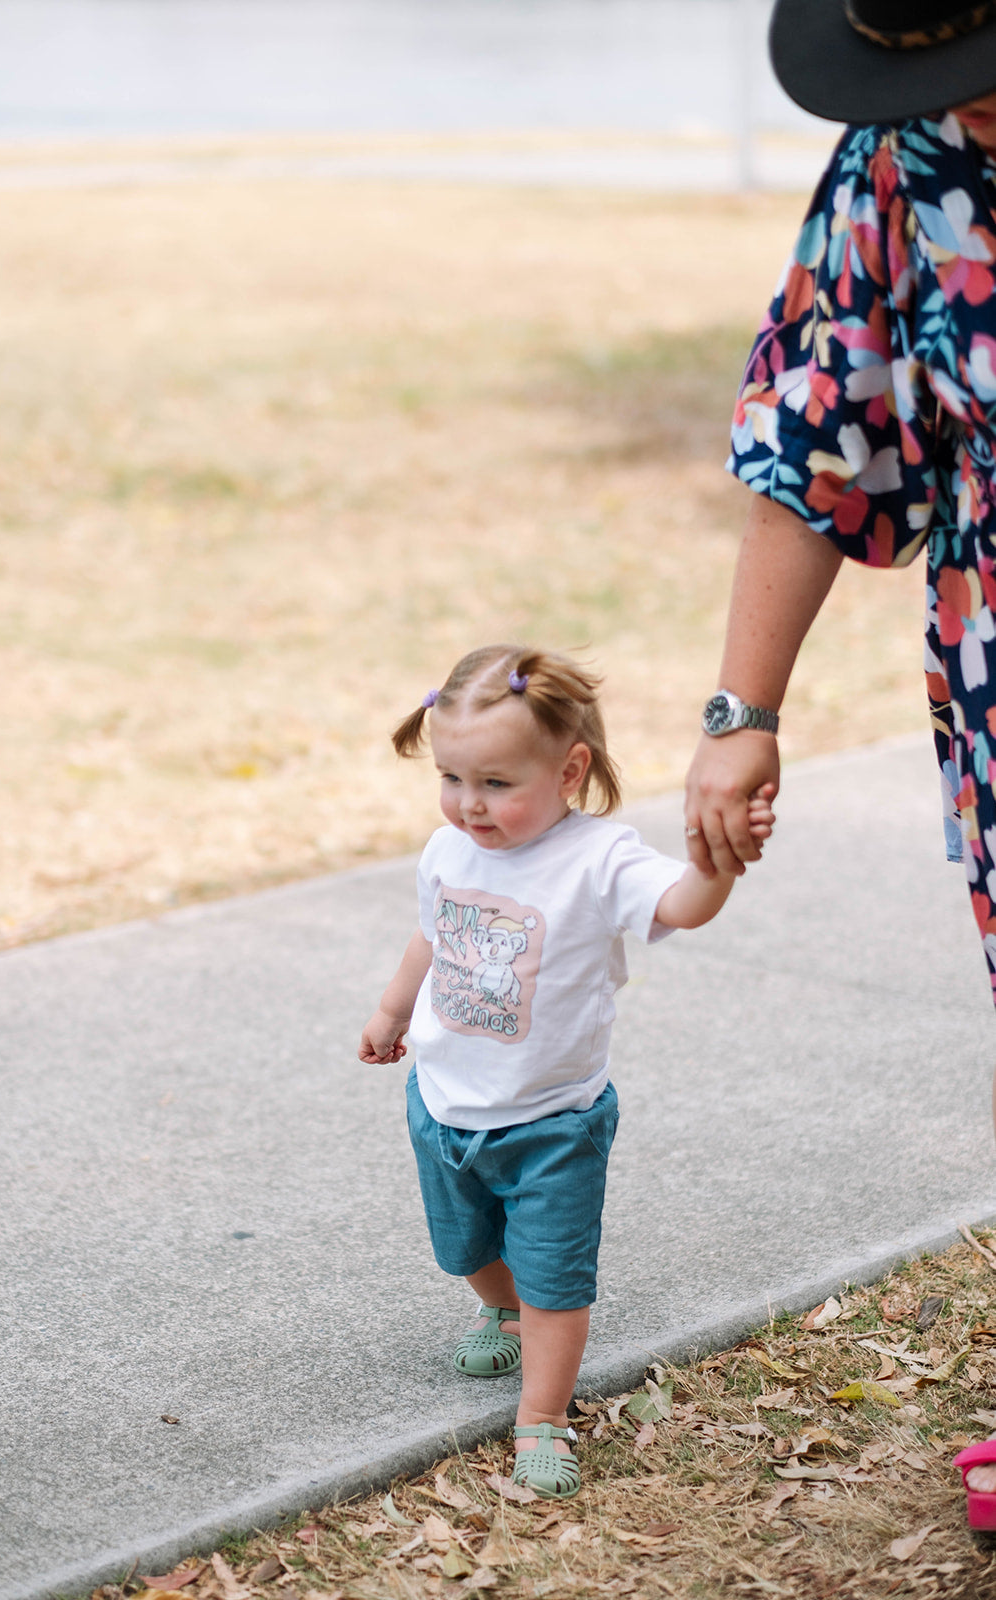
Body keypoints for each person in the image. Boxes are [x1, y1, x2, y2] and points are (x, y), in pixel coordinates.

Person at [681, 0, 996, 1525]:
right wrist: (739, 717)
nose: (964, 106)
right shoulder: (900, 166)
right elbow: (815, 444)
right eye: (929, 77)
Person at [358, 644, 774, 1499]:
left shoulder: (599, 858)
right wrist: (393, 1010)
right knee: (465, 1248)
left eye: (496, 784)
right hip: (442, 1105)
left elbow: (680, 906)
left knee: (555, 1276)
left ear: (569, 768)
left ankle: (541, 1415)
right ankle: (497, 1307)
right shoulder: (447, 849)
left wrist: (716, 861)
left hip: (552, 1122)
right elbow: (431, 934)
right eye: (451, 778)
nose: (468, 805)